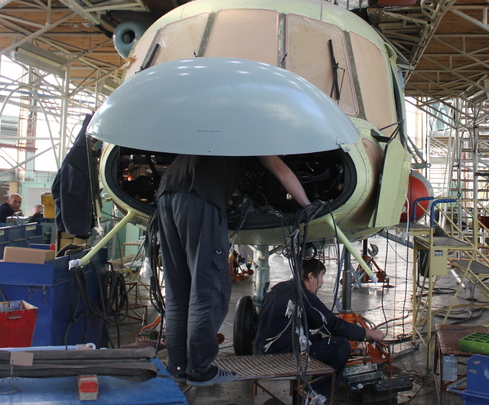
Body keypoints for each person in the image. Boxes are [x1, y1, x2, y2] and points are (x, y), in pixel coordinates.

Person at [156, 155, 310, 386]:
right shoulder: (250, 134)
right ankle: (200, 369)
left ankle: (178, 366)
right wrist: (308, 205)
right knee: (207, 289)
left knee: (178, 291)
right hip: (201, 196)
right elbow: (281, 169)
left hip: (166, 193)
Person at [254, 258, 385, 400]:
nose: (322, 282)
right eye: (321, 276)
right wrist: (368, 334)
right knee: (340, 346)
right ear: (311, 276)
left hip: (261, 352)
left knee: (316, 339)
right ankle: (316, 396)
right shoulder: (303, 295)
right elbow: (333, 325)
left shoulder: (280, 289)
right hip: (283, 356)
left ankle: (306, 393)